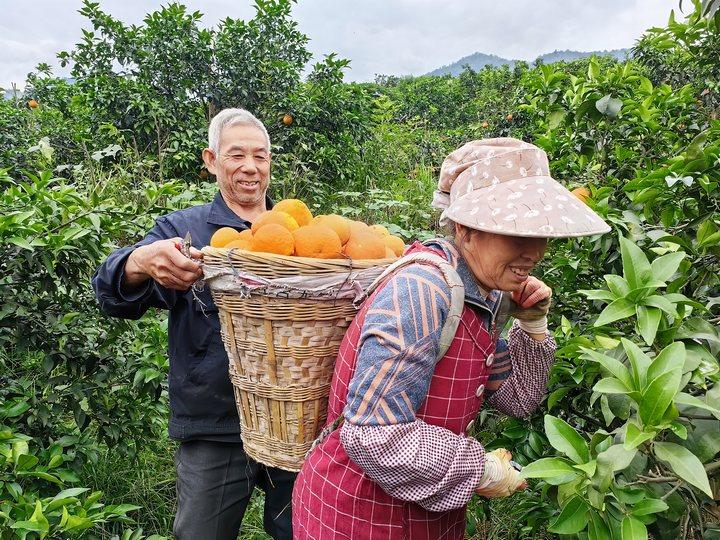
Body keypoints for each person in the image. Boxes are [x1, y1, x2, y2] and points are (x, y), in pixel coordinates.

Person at [292, 137, 611, 539]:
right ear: (465, 229)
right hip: (356, 515)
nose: (533, 252)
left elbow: (518, 399)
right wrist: (479, 467)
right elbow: (374, 435)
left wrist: (532, 326)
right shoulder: (422, 291)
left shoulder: (487, 295)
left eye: (540, 234)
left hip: (427, 514)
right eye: (516, 232)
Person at [92, 108, 295, 540]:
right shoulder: (184, 231)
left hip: (293, 420)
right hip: (215, 424)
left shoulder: (301, 233)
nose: (249, 167)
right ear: (211, 160)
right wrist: (137, 261)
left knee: (306, 530)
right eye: (236, 155)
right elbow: (112, 294)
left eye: (260, 156)